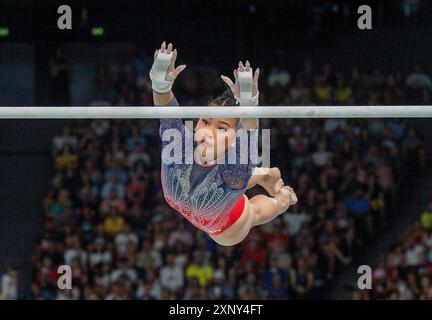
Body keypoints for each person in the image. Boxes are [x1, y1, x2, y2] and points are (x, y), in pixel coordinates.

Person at [150, 41, 297, 246]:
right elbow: (166, 111)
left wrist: (249, 106)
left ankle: (281, 198)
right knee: (243, 175)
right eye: (205, 121)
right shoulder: (180, 147)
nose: (208, 132)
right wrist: (160, 85)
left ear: (235, 140)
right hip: (221, 185)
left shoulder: (233, 172)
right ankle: (263, 174)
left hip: (228, 225)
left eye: (221, 128)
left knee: (254, 212)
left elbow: (249, 133)